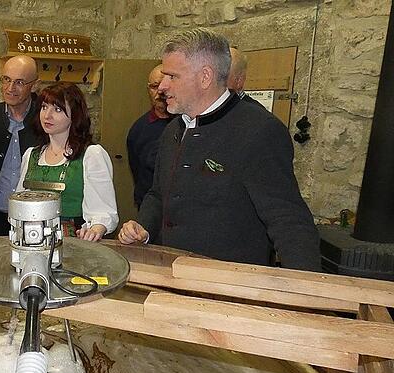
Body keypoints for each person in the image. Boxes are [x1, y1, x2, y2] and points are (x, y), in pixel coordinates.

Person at [117, 28, 320, 271]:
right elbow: (158, 194)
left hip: (230, 286)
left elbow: (288, 219)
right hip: (172, 274)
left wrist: (305, 294)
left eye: (172, 76)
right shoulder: (174, 128)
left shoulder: (258, 130)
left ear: (205, 77)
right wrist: (144, 227)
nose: (162, 86)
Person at [16, 82, 117, 241]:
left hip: (74, 244)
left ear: (75, 115)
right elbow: (20, 203)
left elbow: (103, 212)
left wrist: (96, 229)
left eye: (57, 109)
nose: (47, 115)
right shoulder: (31, 155)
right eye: (44, 107)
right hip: (32, 240)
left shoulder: (91, 155)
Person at [0, 55, 44, 237]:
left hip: (33, 220)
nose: (10, 88)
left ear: (34, 85)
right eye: (6, 80)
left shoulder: (44, 119)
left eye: (19, 82)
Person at [126, 64, 174, 208]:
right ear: (148, 90)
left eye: (164, 85)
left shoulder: (187, 124)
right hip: (149, 208)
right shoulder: (138, 130)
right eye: (154, 86)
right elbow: (137, 173)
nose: (159, 91)